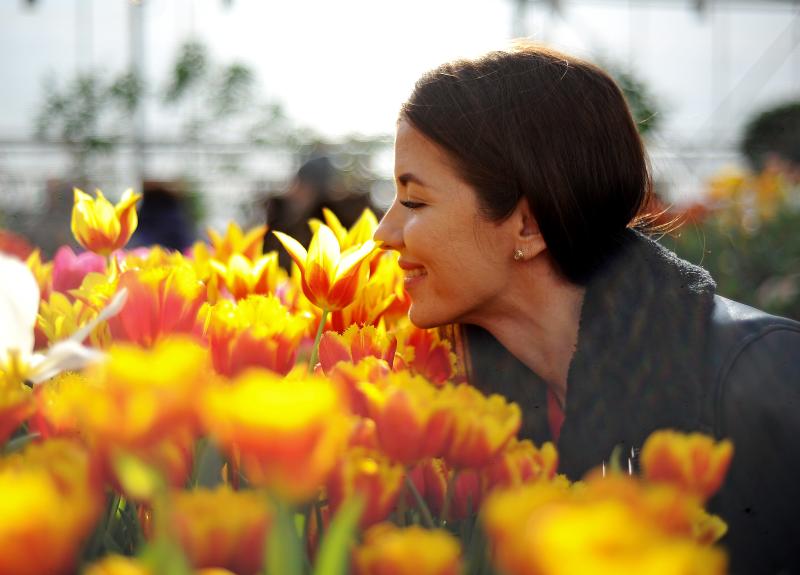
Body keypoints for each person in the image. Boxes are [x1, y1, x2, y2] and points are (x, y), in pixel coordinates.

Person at [374, 43, 800, 574]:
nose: (381, 233)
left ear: (528, 225)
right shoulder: (472, 400)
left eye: (413, 201)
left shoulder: (762, 377)